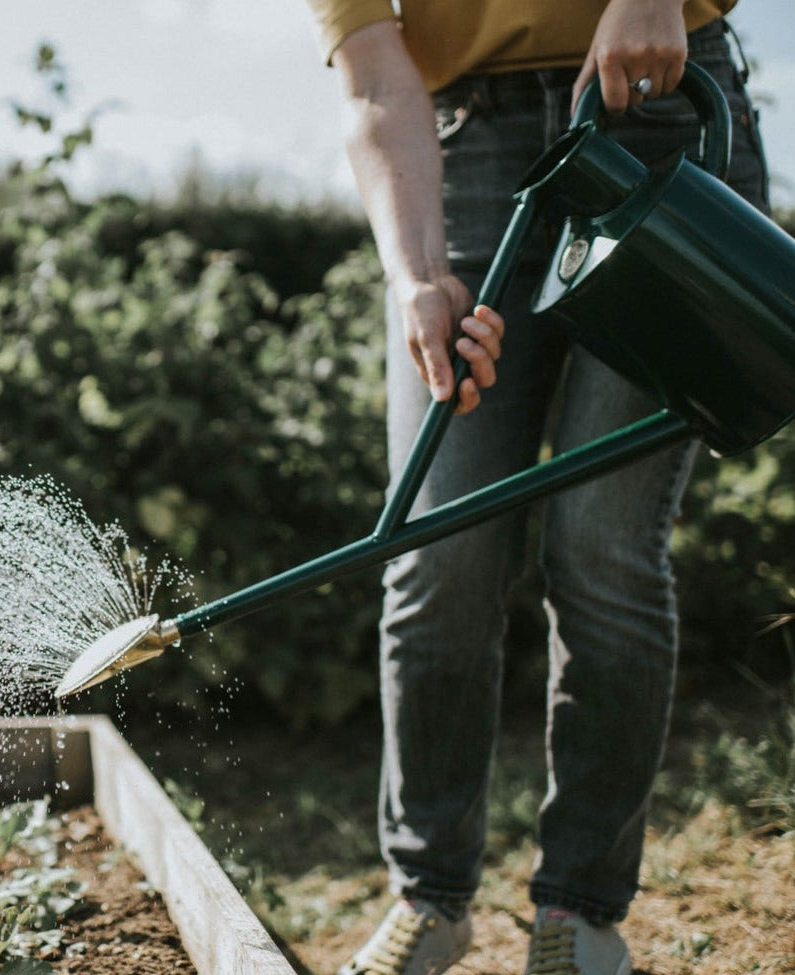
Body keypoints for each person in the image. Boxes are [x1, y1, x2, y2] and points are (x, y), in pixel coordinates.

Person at [302, 1, 769, 973]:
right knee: (440, 555)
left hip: (660, 112)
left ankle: (580, 914)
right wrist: (418, 277)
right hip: (463, 159)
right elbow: (376, 76)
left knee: (601, 546)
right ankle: (431, 898)